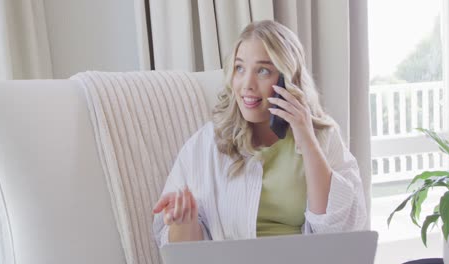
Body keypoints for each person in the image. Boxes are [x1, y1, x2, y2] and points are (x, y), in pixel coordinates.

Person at [152, 20, 367, 247]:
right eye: (240, 68)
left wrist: (307, 138)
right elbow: (183, 254)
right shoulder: (207, 144)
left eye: (263, 70)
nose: (247, 84)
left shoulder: (323, 136)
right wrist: (183, 222)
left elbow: (341, 230)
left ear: (288, 79)